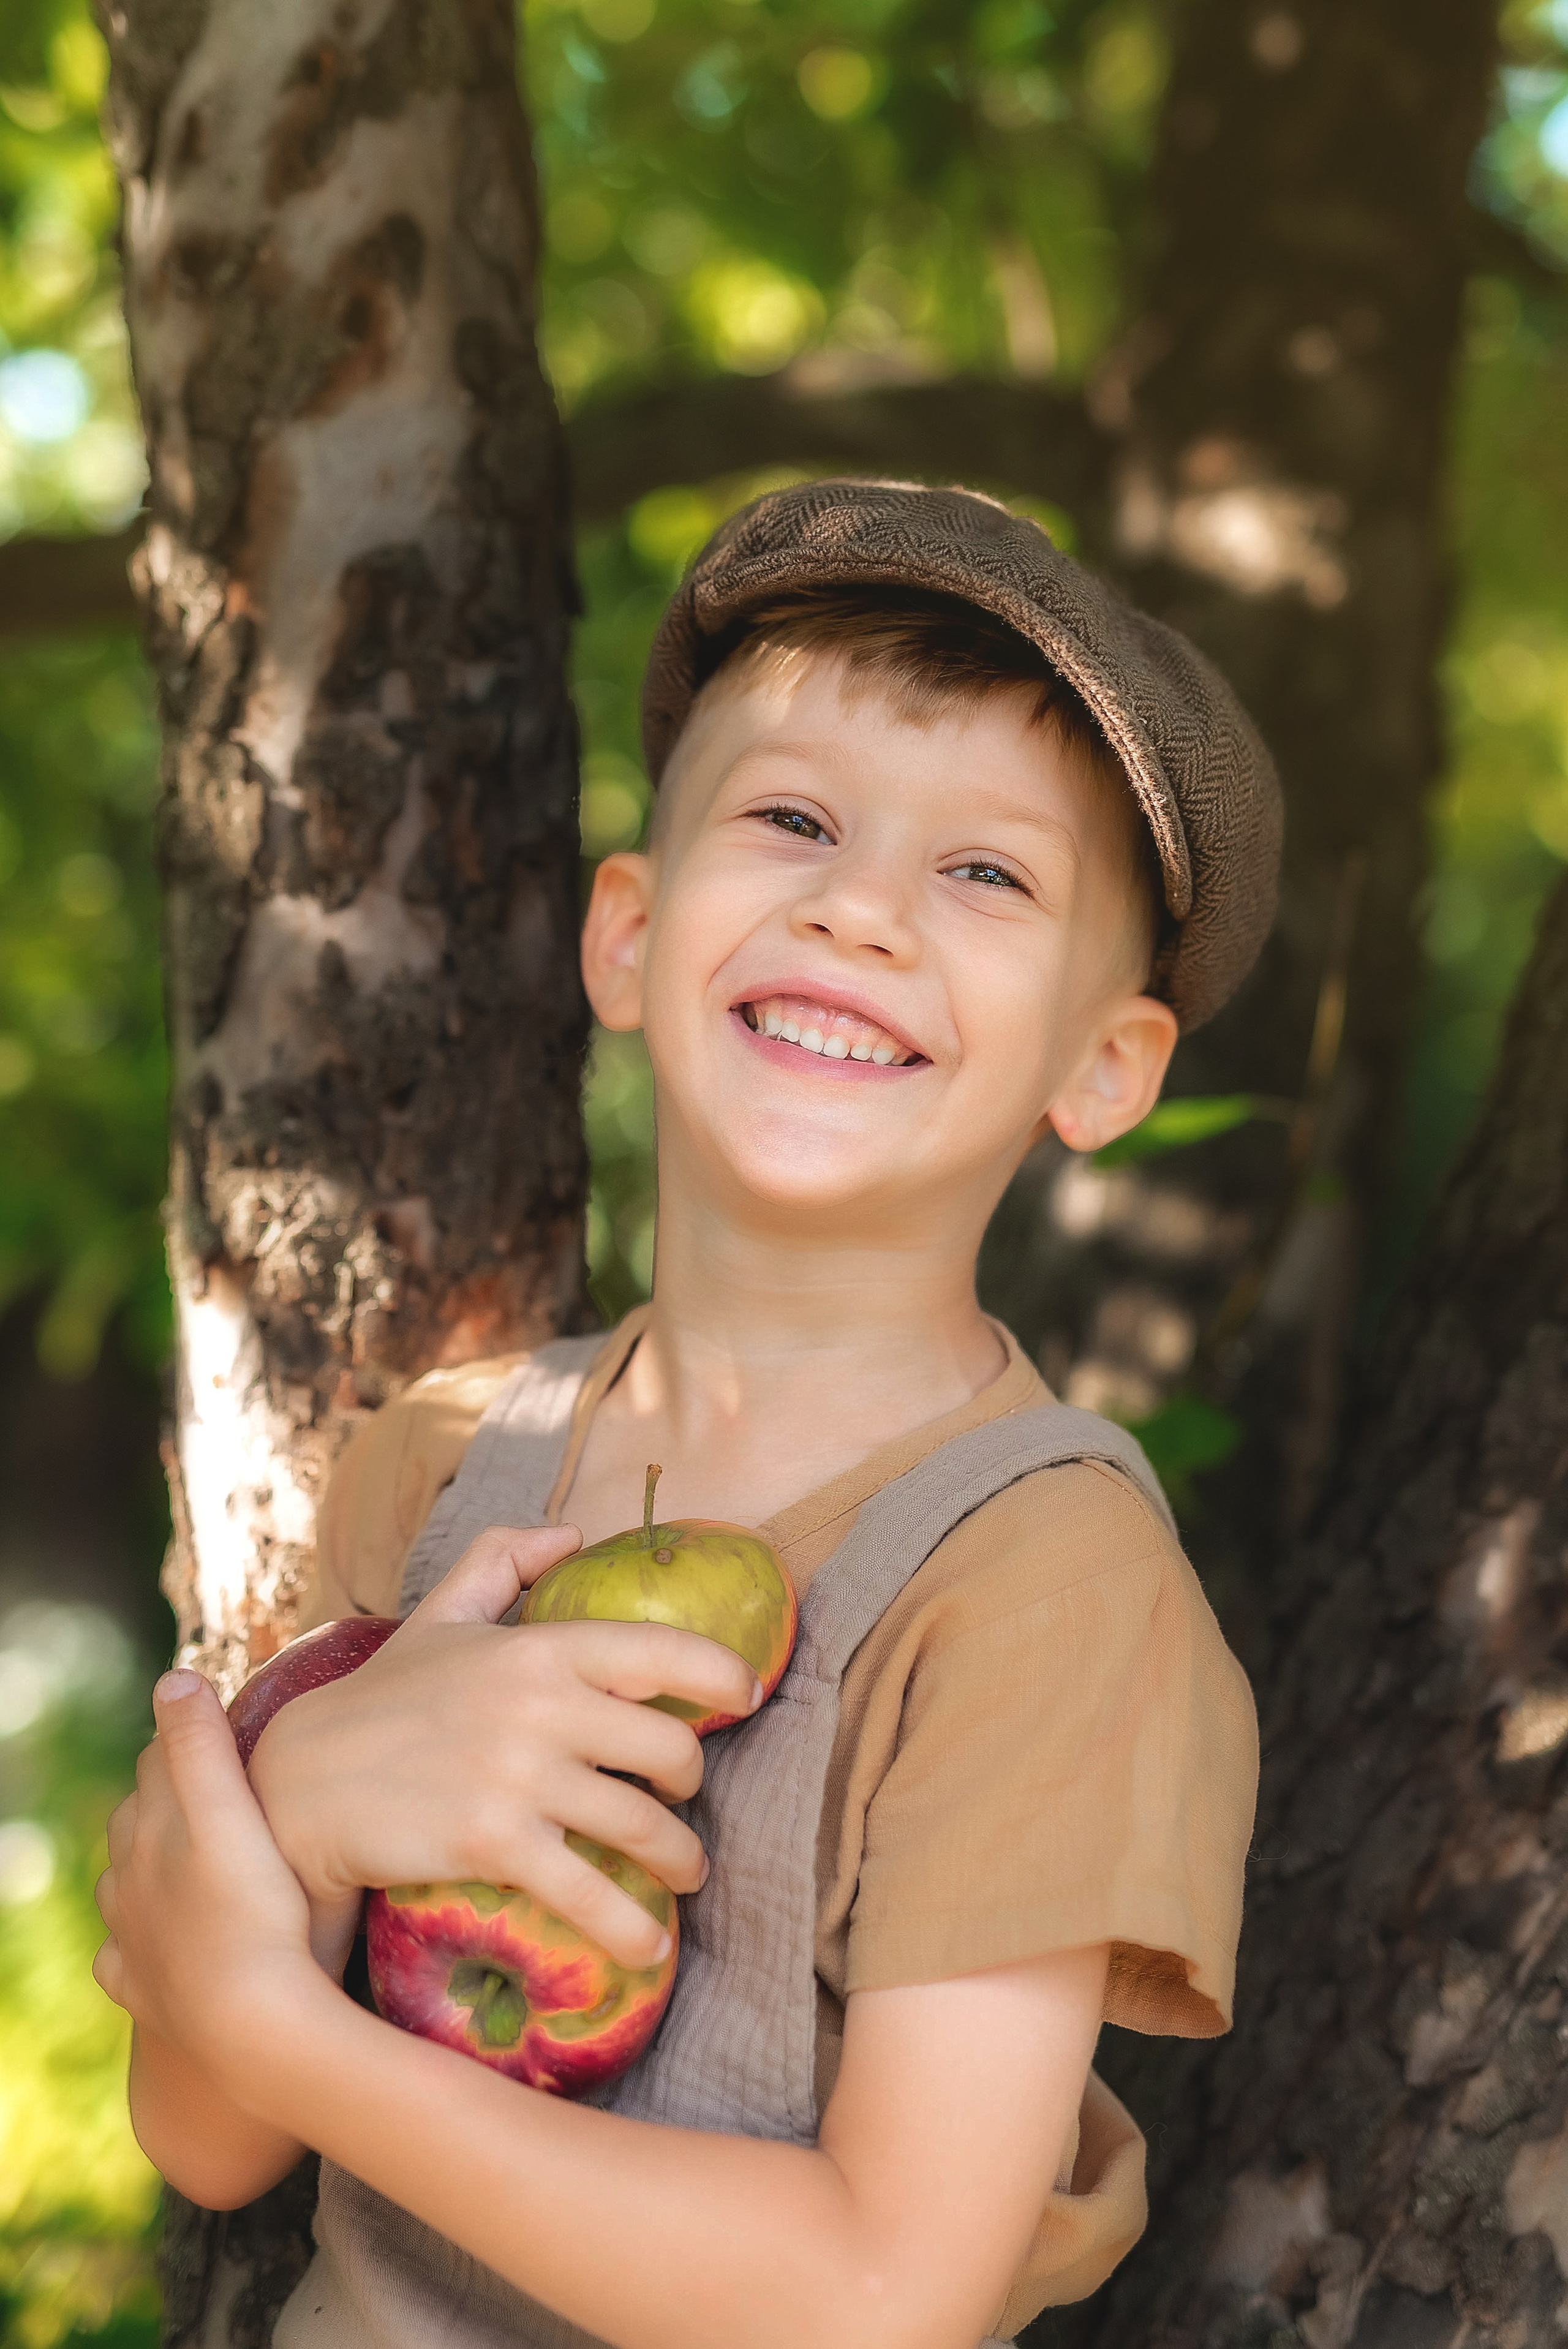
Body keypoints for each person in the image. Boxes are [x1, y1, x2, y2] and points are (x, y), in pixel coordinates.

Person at [93, 480, 1278, 2349]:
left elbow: (873, 2293)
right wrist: (305, 1817)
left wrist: (281, 2027)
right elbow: (204, 2135)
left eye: (988, 874)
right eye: (794, 818)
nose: (860, 905)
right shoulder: (442, 1463)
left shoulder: (1045, 1585)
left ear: (1103, 1064)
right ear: (630, 938)